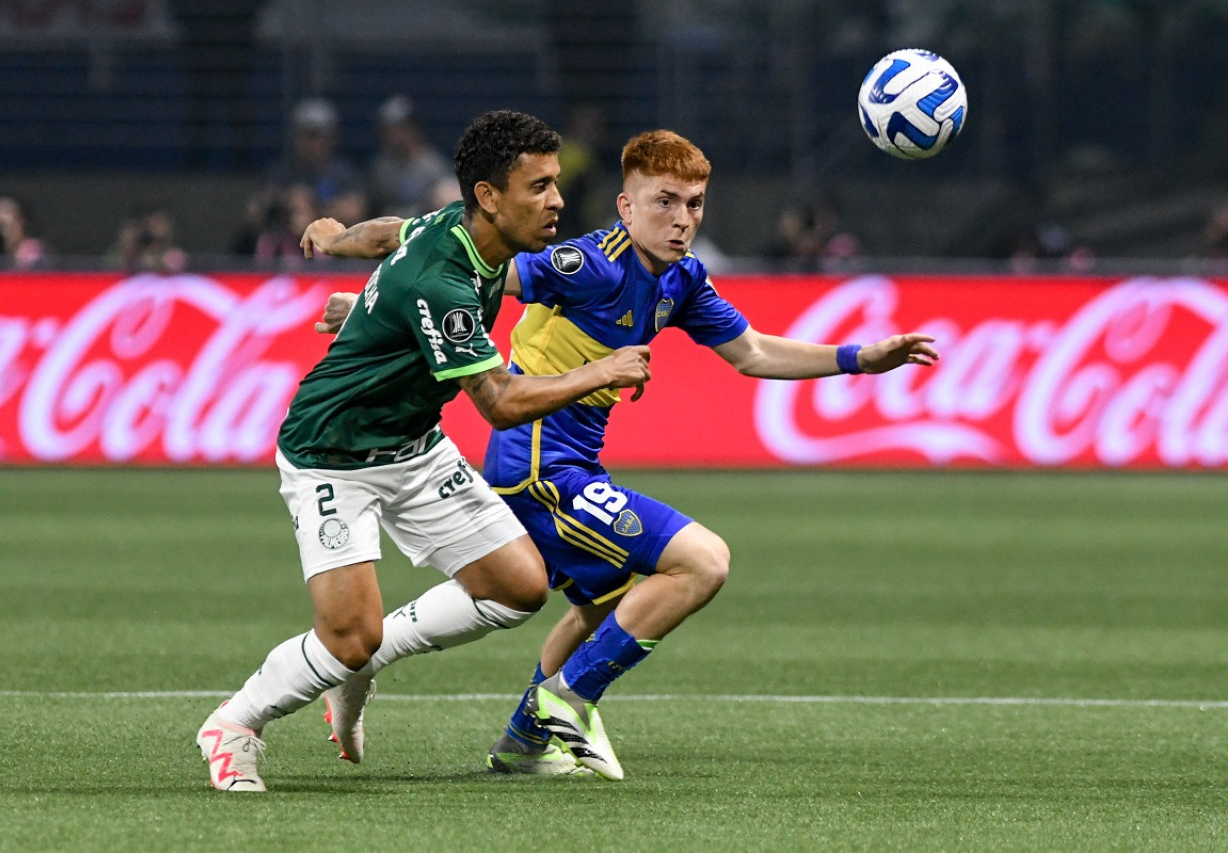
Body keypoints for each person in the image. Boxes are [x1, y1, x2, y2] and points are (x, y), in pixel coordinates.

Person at [301, 130, 938, 781]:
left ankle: (519, 736)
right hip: (539, 466)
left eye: (694, 204)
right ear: (625, 207)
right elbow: (455, 258)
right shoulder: (589, 265)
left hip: (572, 466)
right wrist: (351, 254)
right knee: (702, 561)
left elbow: (751, 352)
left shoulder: (682, 278)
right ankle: (566, 702)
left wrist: (862, 358)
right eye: (665, 201)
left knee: (604, 605)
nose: (682, 219)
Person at [195, 110, 653, 792]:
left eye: (556, 183)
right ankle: (234, 724)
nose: (557, 199)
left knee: (519, 586)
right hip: (334, 452)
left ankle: (362, 668)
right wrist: (602, 370)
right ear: (491, 198)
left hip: (414, 446)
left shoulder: (460, 230)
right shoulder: (444, 284)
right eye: (539, 186)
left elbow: (391, 233)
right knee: (349, 635)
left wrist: (337, 236)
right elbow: (497, 401)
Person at [265, 98, 366, 224]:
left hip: (333, 238)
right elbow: (259, 207)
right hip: (291, 237)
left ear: (333, 138)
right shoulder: (283, 170)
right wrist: (287, 199)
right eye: (308, 136)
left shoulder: (343, 172)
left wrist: (314, 207)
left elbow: (355, 210)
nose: (314, 143)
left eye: (320, 136)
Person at [366, 94, 455, 218]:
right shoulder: (381, 167)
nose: (397, 136)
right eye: (390, 130)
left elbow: (448, 202)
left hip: (425, 228)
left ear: (414, 128)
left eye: (403, 128)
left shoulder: (433, 164)